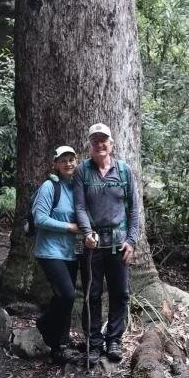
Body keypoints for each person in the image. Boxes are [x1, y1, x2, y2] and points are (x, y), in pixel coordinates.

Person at [72, 122, 141, 364]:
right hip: (92, 245)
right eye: (95, 140)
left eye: (104, 140)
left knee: (120, 293)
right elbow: (79, 206)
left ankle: (114, 340)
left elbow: (133, 209)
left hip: (119, 243)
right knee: (91, 293)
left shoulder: (124, 171)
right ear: (90, 146)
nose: (99, 144)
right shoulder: (82, 171)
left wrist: (132, 241)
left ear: (111, 144)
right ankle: (93, 342)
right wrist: (87, 232)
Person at [32, 145, 82, 365]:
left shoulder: (77, 188)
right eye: (63, 160)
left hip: (71, 252)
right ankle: (44, 324)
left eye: (71, 159)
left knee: (64, 298)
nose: (68, 163)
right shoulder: (49, 187)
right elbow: (40, 219)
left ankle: (59, 345)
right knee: (68, 295)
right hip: (50, 251)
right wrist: (69, 227)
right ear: (55, 164)